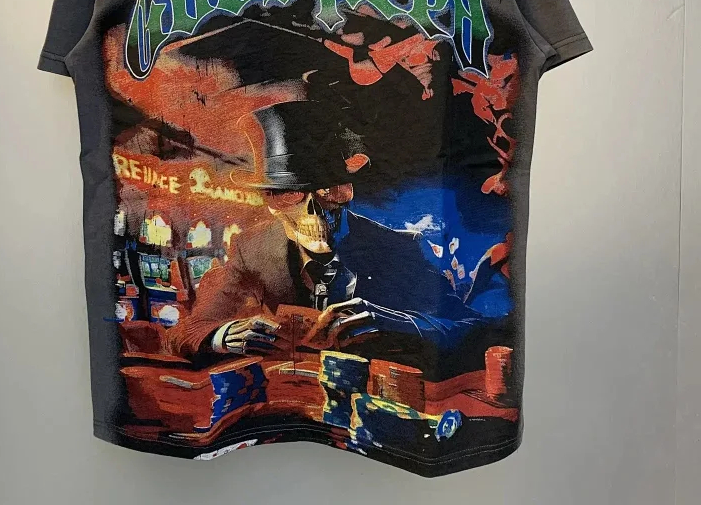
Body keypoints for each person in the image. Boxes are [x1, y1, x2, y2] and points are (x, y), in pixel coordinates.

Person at [170, 101, 512, 375]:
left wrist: (392, 322)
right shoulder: (251, 249)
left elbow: (473, 328)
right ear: (271, 202)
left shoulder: (397, 246)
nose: (316, 211)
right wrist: (222, 336)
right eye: (292, 195)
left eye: (331, 190)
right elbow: (185, 332)